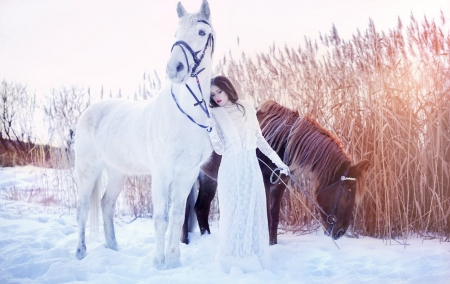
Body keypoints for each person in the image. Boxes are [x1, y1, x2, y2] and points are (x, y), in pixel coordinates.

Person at [206, 75, 289, 273]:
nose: (217, 96)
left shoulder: (247, 107)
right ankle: (234, 258)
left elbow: (260, 139)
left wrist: (279, 163)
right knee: (234, 212)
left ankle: (251, 254)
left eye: (219, 91)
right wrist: (210, 129)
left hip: (250, 167)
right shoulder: (215, 114)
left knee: (251, 209)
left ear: (227, 88)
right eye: (212, 94)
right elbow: (219, 149)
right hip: (230, 169)